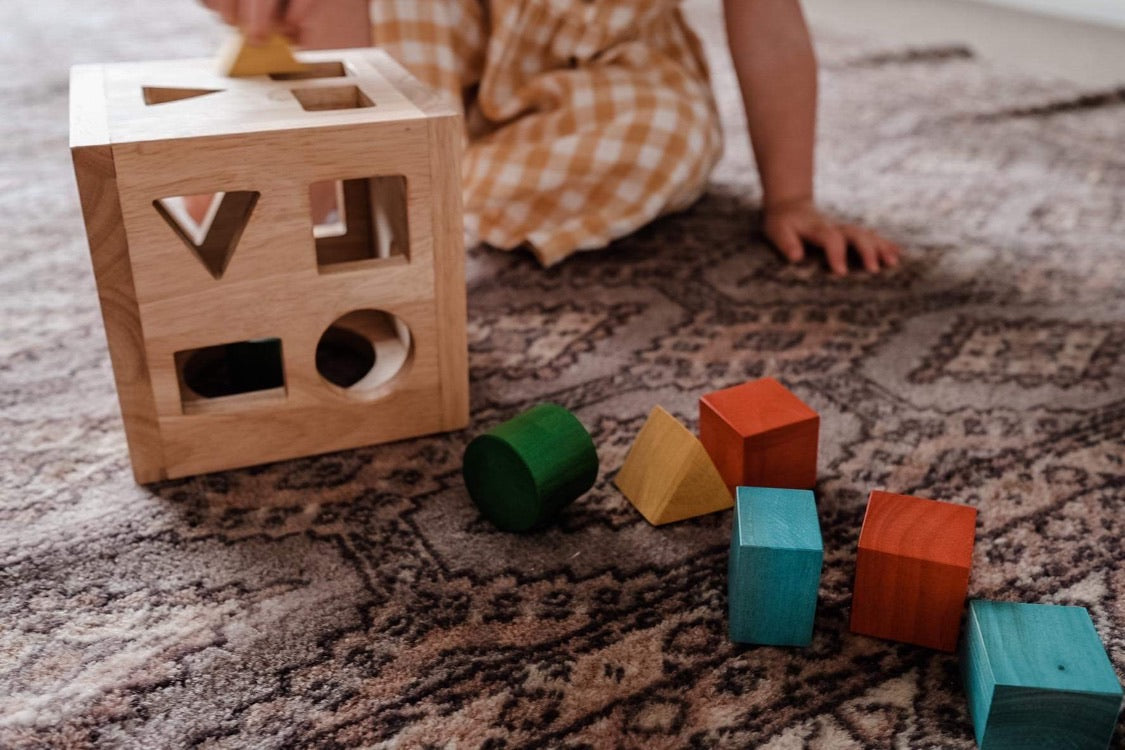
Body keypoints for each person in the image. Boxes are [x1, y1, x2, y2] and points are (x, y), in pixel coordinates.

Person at [200, 0, 902, 275]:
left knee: (667, 134)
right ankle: (306, 194)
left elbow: (770, 26)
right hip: (457, 34)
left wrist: (791, 197)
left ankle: (420, 187)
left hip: (606, 65)